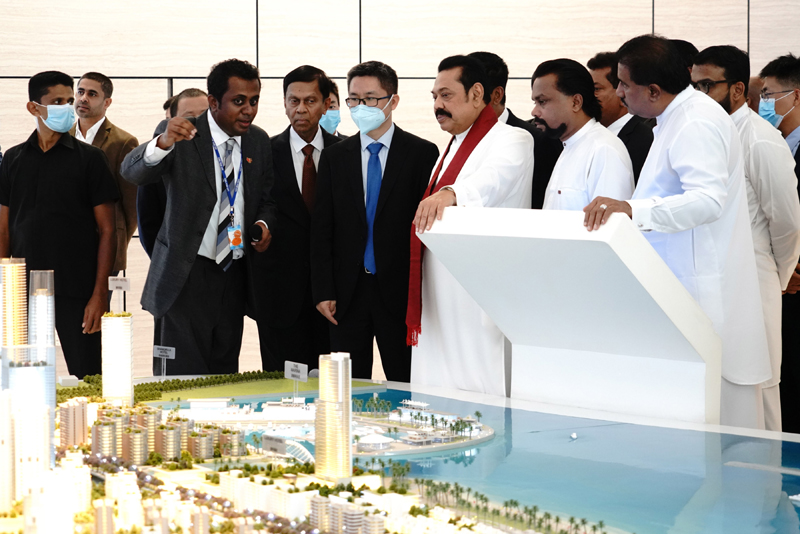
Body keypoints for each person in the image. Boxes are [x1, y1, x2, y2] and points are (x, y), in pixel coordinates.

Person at [583, 35, 770, 429]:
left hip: (703, 293)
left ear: (653, 90)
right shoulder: (675, 117)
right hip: (683, 291)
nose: (617, 92)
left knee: (724, 438)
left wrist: (632, 209)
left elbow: (707, 201)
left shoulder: (694, 121)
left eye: (623, 84)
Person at [121, 59, 277, 375]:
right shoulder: (182, 133)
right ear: (213, 102)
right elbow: (131, 171)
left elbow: (267, 199)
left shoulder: (258, 141)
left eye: (254, 101)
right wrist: (161, 144)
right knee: (181, 377)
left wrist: (263, 224)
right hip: (186, 276)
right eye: (238, 101)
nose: (248, 110)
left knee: (223, 374)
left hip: (233, 274)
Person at [408, 55, 533, 396]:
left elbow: (492, 181)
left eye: (446, 95)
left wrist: (451, 192)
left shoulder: (514, 139)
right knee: (436, 385)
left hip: (480, 290)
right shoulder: (450, 146)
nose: (438, 105)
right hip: (439, 290)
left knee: (480, 386)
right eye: (434, 96)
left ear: (477, 94)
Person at [693, 45, 800, 431]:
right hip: (717, 280)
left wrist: (779, 275)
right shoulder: (706, 134)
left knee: (761, 383)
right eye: (693, 85)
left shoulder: (760, 140)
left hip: (757, 277)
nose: (698, 95)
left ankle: (768, 485)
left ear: (737, 89)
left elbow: (786, 222)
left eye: (707, 85)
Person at [311, 61, 439, 382]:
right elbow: (322, 228)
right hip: (347, 295)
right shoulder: (335, 157)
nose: (360, 106)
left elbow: (428, 231)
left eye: (370, 99)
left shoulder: (422, 154)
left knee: (405, 381)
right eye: (353, 99)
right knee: (348, 389)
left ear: (392, 101)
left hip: (400, 292)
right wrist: (323, 289)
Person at [0, 71, 119, 378]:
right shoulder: (12, 160)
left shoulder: (91, 159)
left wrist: (99, 294)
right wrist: (6, 291)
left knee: (89, 376)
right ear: (34, 108)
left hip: (78, 291)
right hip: (23, 291)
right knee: (24, 378)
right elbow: (3, 229)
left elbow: (108, 230)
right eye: (57, 101)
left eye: (70, 99)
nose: (69, 106)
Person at [253, 66, 342, 372]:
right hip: (278, 296)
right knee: (280, 390)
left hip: (332, 297)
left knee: (333, 391)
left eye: (310, 101)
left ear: (327, 103)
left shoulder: (345, 153)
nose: (300, 109)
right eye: (293, 101)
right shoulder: (262, 152)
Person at [532, 58, 634, 210]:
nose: (534, 112)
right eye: (535, 102)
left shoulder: (604, 149)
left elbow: (610, 226)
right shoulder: (568, 146)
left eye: (543, 101)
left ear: (576, 102)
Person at [759, 53, 800, 432]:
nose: (763, 104)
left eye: (769, 95)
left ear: (796, 96)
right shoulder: (778, 144)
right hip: (781, 281)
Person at [468, 51, 562, 210]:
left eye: (473, 95)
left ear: (497, 95)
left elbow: (541, 204)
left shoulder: (539, 141)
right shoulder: (460, 138)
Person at [70, 72, 139, 282]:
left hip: (105, 247)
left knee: (100, 312)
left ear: (107, 102)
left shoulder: (123, 142)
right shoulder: (62, 138)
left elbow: (132, 207)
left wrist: (116, 244)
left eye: (92, 94)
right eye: (80, 92)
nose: (83, 98)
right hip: (67, 246)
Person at [138, 88, 209, 258]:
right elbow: (148, 221)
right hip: (178, 261)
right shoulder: (157, 158)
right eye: (188, 116)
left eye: (204, 114)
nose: (196, 122)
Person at [587, 52, 654, 182]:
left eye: (596, 89)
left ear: (621, 93)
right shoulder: (589, 137)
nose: (587, 96)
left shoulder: (644, 141)